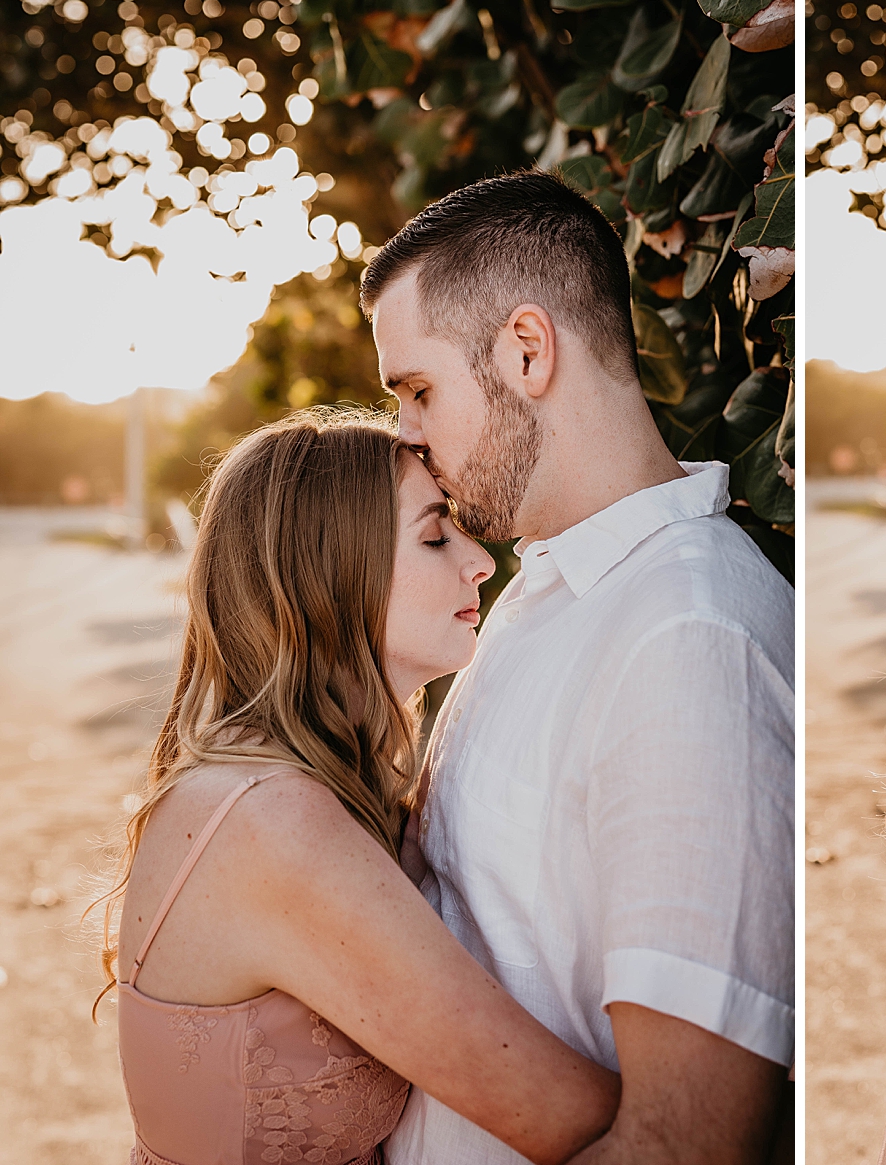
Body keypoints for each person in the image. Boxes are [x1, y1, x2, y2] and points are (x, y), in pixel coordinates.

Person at [361, 169, 795, 1164]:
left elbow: (681, 1141)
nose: (407, 433)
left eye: (418, 389)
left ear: (525, 349)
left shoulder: (691, 637)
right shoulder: (549, 583)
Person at [102, 411, 623, 1165]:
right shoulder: (273, 824)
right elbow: (579, 1119)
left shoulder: (293, 787)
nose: (482, 561)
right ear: (330, 574)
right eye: (436, 534)